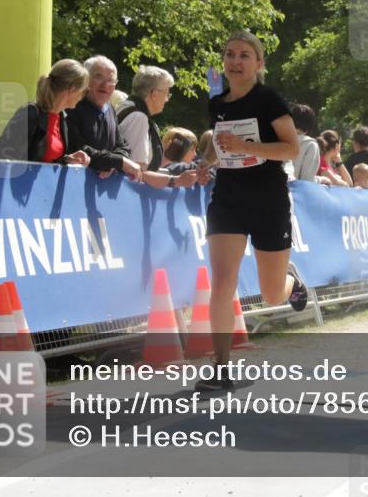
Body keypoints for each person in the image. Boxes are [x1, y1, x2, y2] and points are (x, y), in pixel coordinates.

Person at [198, 30, 306, 391]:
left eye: (244, 55)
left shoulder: (268, 99)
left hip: (268, 200)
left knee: (272, 294)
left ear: (259, 63)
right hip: (228, 199)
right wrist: (205, 164)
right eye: (230, 54)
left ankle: (292, 281)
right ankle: (220, 367)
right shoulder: (217, 103)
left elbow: (291, 149)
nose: (235, 61)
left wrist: (248, 146)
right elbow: (220, 147)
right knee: (222, 282)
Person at [0, 59, 91, 165]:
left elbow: (46, 159)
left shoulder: (61, 118)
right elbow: (2, 156)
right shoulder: (30, 113)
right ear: (73, 89)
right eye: (84, 91)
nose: (82, 97)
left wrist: (66, 159)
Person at [64, 56, 143, 181]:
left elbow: (122, 146)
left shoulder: (110, 109)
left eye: (111, 80)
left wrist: (111, 163)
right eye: (98, 77)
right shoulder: (72, 106)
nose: (105, 85)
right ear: (85, 79)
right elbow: (76, 147)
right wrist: (116, 161)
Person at [116, 65, 173, 171]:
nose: (167, 99)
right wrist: (176, 179)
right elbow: (136, 171)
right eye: (167, 94)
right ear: (154, 94)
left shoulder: (124, 107)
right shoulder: (138, 118)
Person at [288, 103, 321, 182]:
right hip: (294, 189)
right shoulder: (311, 145)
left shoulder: (278, 140)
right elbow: (307, 179)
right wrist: (320, 179)